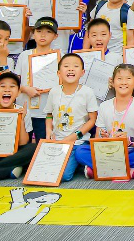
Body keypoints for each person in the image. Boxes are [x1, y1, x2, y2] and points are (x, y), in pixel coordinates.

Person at [73, 63, 134, 181]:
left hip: (132, 151)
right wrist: (104, 137)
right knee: (80, 152)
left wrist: (129, 141)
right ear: (112, 82)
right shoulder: (104, 106)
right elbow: (98, 137)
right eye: (119, 79)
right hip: (109, 152)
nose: (123, 82)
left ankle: (101, 170)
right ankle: (132, 171)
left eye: (128, 78)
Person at [42, 52, 99, 182]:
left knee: (64, 175)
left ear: (82, 72)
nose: (71, 69)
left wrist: (74, 136)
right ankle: (79, 164)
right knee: (46, 171)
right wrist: (49, 131)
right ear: (59, 73)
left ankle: (79, 163)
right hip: (56, 141)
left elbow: (92, 119)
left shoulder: (87, 92)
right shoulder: (54, 91)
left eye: (75, 66)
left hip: (77, 142)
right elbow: (49, 115)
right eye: (66, 66)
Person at [16, 17, 62, 140]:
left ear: (55, 36)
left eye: (48, 32)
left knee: (42, 144)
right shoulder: (24, 55)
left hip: (46, 111)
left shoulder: (60, 57)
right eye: (39, 31)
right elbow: (14, 83)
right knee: (23, 145)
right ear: (33, 34)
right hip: (24, 109)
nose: (43, 35)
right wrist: (25, 89)